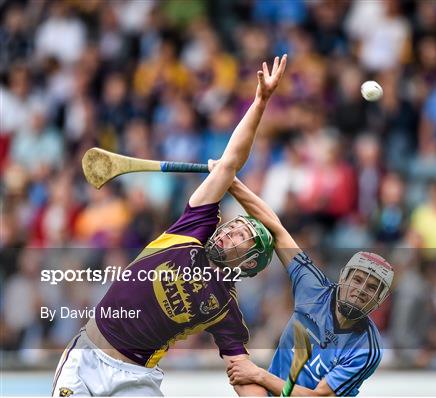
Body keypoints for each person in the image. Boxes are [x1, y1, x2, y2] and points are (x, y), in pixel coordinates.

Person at [51, 55, 287, 397]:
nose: (232, 232)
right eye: (235, 226)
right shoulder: (192, 229)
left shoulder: (224, 308)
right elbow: (229, 165)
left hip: (136, 380)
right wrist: (260, 101)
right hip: (85, 361)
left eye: (244, 236)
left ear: (250, 263)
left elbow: (242, 373)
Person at [221, 172, 394, 396]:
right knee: (240, 371)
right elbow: (277, 230)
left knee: (247, 374)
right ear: (343, 277)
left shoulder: (366, 348)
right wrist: (231, 182)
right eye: (358, 280)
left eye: (371, 288)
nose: (360, 290)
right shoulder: (314, 288)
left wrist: (259, 375)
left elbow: (319, 397)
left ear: (379, 300)